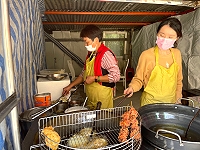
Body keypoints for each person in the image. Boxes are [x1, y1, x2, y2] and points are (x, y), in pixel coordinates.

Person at [124, 17, 183, 106]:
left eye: (170, 37)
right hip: (150, 103)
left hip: (171, 102)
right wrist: (132, 87)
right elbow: (139, 79)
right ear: (157, 34)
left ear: (177, 38)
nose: (165, 39)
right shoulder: (147, 55)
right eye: (162, 35)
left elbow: (178, 80)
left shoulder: (177, 54)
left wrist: (178, 99)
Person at [63, 25, 120, 110]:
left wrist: (95, 78)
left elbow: (116, 76)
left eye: (87, 42)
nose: (85, 45)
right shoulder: (91, 55)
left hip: (102, 98)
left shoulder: (105, 55)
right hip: (91, 97)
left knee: (102, 121)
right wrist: (70, 86)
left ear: (96, 40)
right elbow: (83, 75)